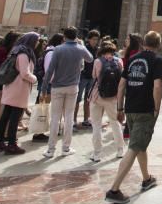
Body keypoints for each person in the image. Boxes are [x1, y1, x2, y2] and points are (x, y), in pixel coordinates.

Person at [104, 31, 162, 203]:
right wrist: (156, 108)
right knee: (134, 148)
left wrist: (120, 107)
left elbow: (122, 84)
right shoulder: (157, 60)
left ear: (144, 43)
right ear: (158, 45)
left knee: (139, 144)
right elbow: (157, 86)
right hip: (145, 110)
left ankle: (146, 179)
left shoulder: (132, 59)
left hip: (130, 108)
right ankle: (114, 190)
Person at [43, 27, 94, 158]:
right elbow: (90, 59)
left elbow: (50, 70)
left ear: (64, 37)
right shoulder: (80, 48)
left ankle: (50, 149)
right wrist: (80, 45)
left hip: (57, 87)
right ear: (76, 37)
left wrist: (44, 87)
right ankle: (66, 148)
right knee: (69, 117)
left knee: (55, 117)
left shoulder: (58, 49)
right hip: (72, 87)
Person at [0, 32, 39, 155]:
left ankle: (0, 142)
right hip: (19, 88)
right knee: (14, 117)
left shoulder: (16, 51)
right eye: (35, 41)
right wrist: (35, 78)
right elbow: (24, 73)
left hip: (11, 87)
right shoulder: (24, 54)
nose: (36, 44)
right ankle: (12, 144)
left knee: (6, 115)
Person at [89, 42, 126, 162]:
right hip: (113, 97)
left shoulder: (98, 61)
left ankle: (97, 153)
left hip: (97, 96)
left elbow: (94, 76)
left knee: (96, 125)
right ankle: (120, 150)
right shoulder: (119, 61)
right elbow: (122, 77)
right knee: (115, 123)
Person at [76, 29, 100, 129]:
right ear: (89, 39)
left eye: (96, 39)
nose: (95, 41)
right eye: (93, 39)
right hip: (83, 76)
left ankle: (86, 119)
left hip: (92, 78)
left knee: (88, 99)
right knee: (77, 99)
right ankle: (73, 120)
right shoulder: (84, 49)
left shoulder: (98, 50)